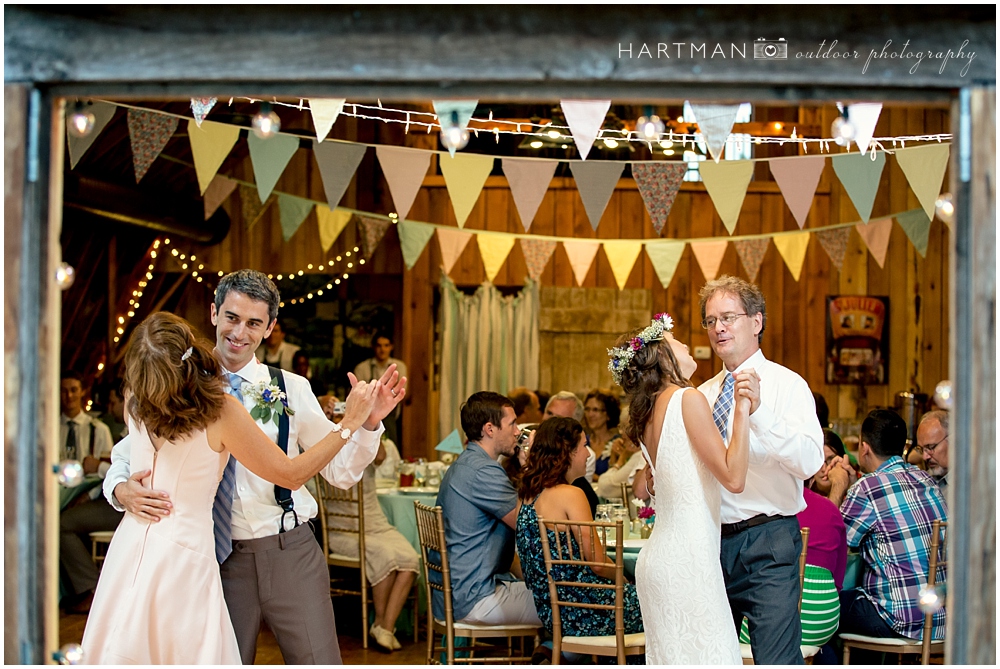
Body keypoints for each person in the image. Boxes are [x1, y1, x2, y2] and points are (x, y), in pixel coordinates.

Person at [103, 269, 406, 664]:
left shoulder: (292, 388)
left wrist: (366, 424)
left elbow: (340, 473)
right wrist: (120, 488)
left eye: (253, 323)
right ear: (213, 313)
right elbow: (133, 452)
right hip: (216, 558)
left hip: (290, 552)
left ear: (270, 328)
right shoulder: (179, 383)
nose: (239, 333)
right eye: (231, 317)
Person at [611, 312, 750, 664]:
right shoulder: (688, 399)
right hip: (688, 559)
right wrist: (743, 410)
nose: (687, 344)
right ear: (662, 355)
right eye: (676, 341)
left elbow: (653, 483)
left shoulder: (647, 414)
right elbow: (733, 478)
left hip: (658, 560)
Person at [699, 276, 824, 664]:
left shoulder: (788, 386)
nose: (718, 327)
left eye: (728, 317)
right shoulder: (702, 394)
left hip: (767, 539)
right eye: (710, 320)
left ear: (756, 322)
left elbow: (810, 462)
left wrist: (759, 412)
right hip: (709, 542)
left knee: (775, 659)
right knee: (710, 658)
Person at [516, 417, 643, 640]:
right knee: (663, 605)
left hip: (553, 611)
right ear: (568, 452)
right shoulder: (571, 494)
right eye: (584, 446)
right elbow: (598, 564)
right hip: (590, 609)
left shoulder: (527, 497)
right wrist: (625, 578)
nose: (588, 454)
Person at [836, 409, 948, 645]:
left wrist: (839, 487)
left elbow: (832, 541)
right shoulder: (926, 479)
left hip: (899, 619)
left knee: (820, 609)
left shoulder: (866, 488)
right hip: (941, 619)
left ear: (865, 448)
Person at [432, 391, 541, 626]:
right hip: (476, 597)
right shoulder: (483, 471)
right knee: (572, 602)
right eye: (512, 424)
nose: (516, 431)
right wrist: (531, 469)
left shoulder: (466, 463)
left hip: (457, 593)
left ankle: (547, 654)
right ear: (490, 429)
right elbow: (529, 525)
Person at [324, 440, 419, 652]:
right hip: (343, 532)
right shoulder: (324, 448)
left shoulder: (365, 444)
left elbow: (381, 456)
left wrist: (369, 425)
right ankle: (383, 628)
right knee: (385, 556)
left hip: (376, 524)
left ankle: (384, 626)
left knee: (410, 558)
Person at [58, 371, 118, 614]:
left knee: (62, 525)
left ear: (82, 391)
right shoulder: (51, 427)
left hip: (96, 495)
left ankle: (91, 590)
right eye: (64, 390)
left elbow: (110, 470)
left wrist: (88, 493)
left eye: (73, 389)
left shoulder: (98, 429)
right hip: (62, 491)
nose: (69, 396)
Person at [541, 391, 598, 517]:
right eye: (549, 413)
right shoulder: (521, 438)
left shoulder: (526, 493)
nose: (550, 421)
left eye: (558, 419)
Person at [354, 332, 408, 445]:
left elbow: (401, 392)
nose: (382, 349)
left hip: (390, 416)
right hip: (367, 414)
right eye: (379, 345)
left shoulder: (400, 366)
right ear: (373, 346)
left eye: (386, 345)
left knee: (391, 447)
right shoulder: (362, 368)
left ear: (391, 347)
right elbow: (359, 393)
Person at [595, 410, 646, 501]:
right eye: (620, 427)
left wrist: (620, 460)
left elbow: (606, 488)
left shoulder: (640, 457)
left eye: (625, 428)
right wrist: (614, 458)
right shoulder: (635, 455)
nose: (621, 432)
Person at [583, 389, 621, 478]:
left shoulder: (619, 443)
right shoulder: (582, 442)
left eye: (595, 410)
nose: (590, 414)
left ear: (608, 414)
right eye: (587, 409)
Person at [917, 410, 949, 493]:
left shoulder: (973, 484)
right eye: (921, 449)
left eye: (931, 447)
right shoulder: (923, 482)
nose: (924, 457)